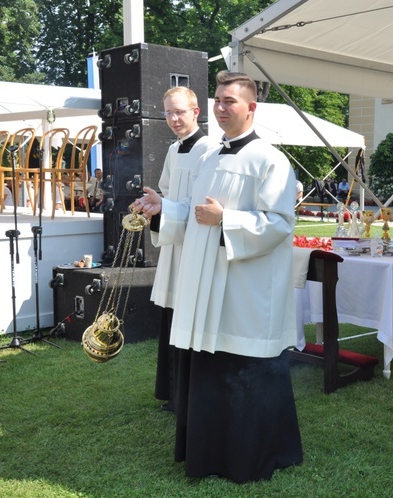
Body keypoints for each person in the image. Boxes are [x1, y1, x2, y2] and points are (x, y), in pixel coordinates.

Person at [133, 71, 302, 482]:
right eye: (219, 100)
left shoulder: (270, 160)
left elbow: (281, 224)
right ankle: (209, 456)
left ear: (251, 108)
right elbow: (193, 212)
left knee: (244, 372)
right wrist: (165, 209)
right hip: (206, 285)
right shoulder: (209, 157)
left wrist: (227, 220)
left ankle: (249, 458)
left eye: (231, 101)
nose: (222, 107)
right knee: (210, 367)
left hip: (244, 287)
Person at [151, 86, 218, 413]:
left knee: (189, 318)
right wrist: (153, 206)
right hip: (173, 247)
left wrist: (164, 206)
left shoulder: (210, 150)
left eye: (179, 111)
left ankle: (191, 396)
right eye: (168, 112)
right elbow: (166, 192)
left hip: (195, 246)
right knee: (171, 316)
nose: (174, 119)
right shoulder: (173, 151)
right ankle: (173, 392)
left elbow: (200, 203)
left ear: (196, 112)